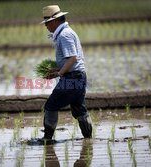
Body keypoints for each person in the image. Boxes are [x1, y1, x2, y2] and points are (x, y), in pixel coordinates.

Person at [40, 5, 92, 140]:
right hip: (78, 76)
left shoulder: (64, 35)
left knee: (51, 105)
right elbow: (71, 60)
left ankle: (47, 138)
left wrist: (59, 73)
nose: (46, 26)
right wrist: (56, 70)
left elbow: (73, 58)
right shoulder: (66, 32)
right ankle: (88, 138)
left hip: (72, 77)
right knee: (79, 109)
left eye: (46, 23)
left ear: (53, 21)